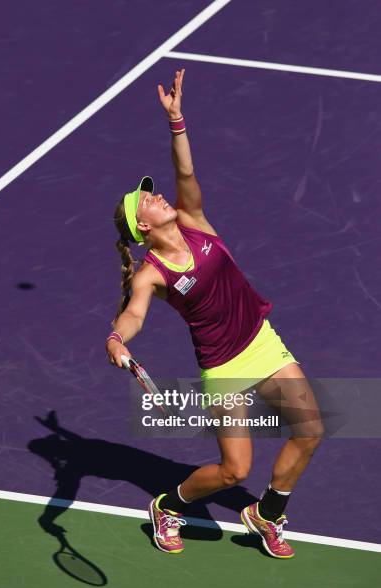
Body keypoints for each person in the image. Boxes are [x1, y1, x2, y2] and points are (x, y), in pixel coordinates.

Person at [106, 69, 323, 559]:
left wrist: (177, 122)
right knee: (233, 472)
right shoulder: (151, 273)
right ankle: (167, 506)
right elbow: (134, 314)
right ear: (143, 224)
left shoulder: (195, 222)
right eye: (148, 199)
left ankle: (266, 514)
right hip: (223, 369)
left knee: (310, 431)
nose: (158, 195)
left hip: (261, 342)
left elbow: (185, 175)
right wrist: (119, 338)